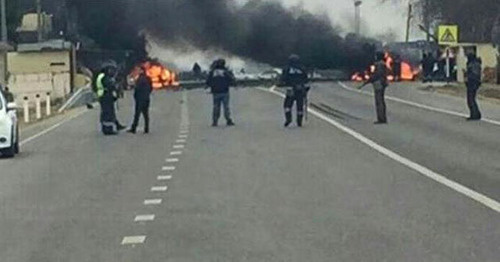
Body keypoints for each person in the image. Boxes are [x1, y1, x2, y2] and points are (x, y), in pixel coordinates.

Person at [95, 61, 126, 135]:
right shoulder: (104, 77)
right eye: (109, 69)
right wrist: (115, 85)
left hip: (104, 96)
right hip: (105, 96)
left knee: (108, 112)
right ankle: (108, 130)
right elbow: (109, 86)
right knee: (108, 113)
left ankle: (115, 125)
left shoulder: (102, 76)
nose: (110, 71)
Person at [280, 54, 309, 127]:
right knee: (300, 106)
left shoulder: (287, 69)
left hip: (291, 89)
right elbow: (306, 79)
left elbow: (283, 78)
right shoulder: (302, 69)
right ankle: (299, 121)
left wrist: (283, 83)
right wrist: (305, 89)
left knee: (287, 105)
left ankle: (288, 119)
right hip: (300, 89)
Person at [206, 59, 236, 127]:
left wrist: (211, 86)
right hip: (225, 91)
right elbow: (231, 79)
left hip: (215, 92)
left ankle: (215, 121)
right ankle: (228, 120)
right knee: (226, 107)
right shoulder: (225, 72)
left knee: (216, 107)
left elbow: (208, 81)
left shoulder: (213, 72)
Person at [363, 52, 389, 124]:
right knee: (381, 101)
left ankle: (381, 118)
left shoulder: (379, 64)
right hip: (382, 83)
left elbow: (377, 74)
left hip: (379, 83)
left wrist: (370, 79)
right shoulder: (383, 63)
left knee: (379, 101)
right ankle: (382, 117)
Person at [128, 67, 153, 134]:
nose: (138, 71)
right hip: (146, 98)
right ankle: (146, 128)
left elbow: (137, 88)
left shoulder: (140, 79)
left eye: (139, 70)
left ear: (142, 71)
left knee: (137, 114)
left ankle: (133, 128)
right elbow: (151, 88)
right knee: (146, 114)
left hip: (140, 99)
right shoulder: (148, 78)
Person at [464, 53, 482, 121]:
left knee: (470, 99)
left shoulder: (473, 64)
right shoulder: (476, 63)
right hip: (474, 83)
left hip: (472, 83)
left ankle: (474, 115)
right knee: (472, 99)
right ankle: (476, 114)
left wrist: (468, 79)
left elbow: (473, 74)